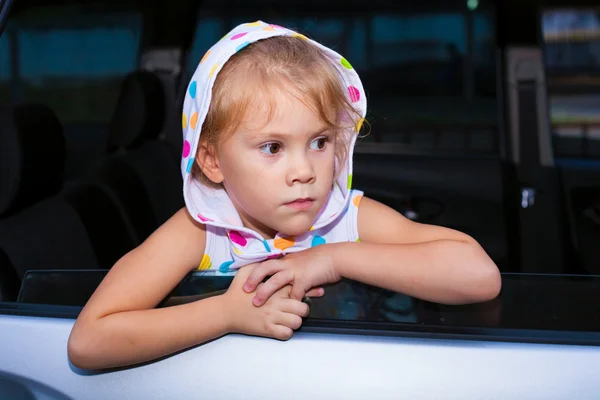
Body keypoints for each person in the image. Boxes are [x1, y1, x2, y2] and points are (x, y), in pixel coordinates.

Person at [68, 21, 501, 370]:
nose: (304, 172)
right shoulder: (201, 232)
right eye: (273, 148)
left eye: (319, 142)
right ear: (212, 160)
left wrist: (333, 258)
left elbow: (478, 275)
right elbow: (90, 341)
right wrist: (227, 314)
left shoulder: (344, 217)